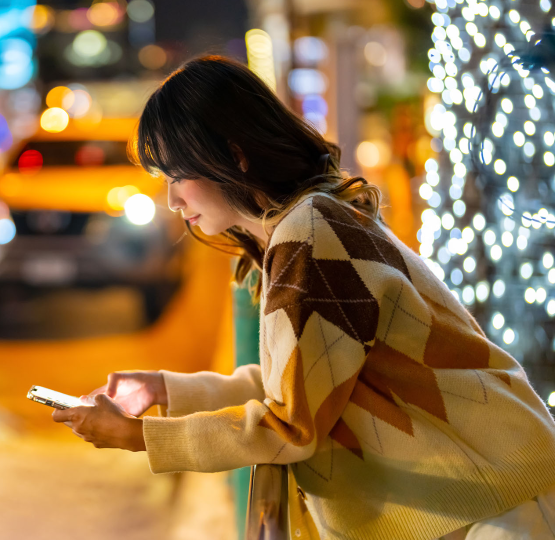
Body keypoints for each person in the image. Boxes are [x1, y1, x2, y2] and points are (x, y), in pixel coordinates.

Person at [51, 55, 555, 540]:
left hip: (498, 502)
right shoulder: (306, 226)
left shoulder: (310, 235)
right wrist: (164, 391)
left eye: (180, 176)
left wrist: (139, 437)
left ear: (234, 155)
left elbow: (290, 425)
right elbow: (304, 383)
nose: (172, 200)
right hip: (483, 493)